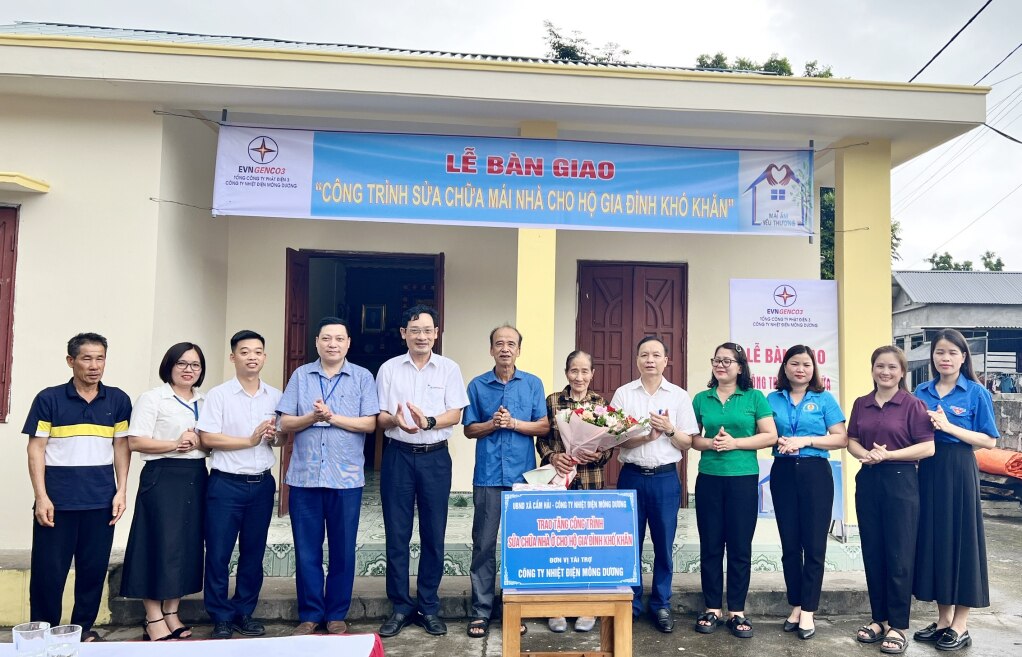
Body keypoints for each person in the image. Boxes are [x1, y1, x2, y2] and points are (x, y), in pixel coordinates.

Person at [23, 332, 131, 643]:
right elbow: (36, 450)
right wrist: (41, 497)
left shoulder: (118, 400)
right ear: (71, 361)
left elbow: (121, 448)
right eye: (86, 358)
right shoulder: (49, 399)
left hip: (100, 502)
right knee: (48, 574)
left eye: (100, 358)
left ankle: (82, 630)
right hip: (57, 503)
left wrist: (121, 491)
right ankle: (42, 633)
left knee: (93, 571)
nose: (94, 365)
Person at [278, 317, 380, 637]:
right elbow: (285, 424)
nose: (332, 344)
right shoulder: (300, 376)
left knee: (343, 549)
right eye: (326, 338)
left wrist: (332, 417)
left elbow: (369, 424)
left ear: (348, 343)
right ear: (317, 343)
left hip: (346, 478)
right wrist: (313, 416)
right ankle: (310, 613)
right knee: (306, 548)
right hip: (305, 477)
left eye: (339, 338)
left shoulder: (362, 377)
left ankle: (336, 613)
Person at [375, 306, 469, 638]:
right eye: (414, 330)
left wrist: (428, 421)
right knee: (397, 534)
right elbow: (381, 415)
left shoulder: (448, 368)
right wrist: (396, 421)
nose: (421, 336)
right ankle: (400, 606)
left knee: (433, 533)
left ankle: (428, 605)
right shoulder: (388, 369)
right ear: (404, 333)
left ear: (436, 332)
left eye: (427, 330)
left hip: (435, 458)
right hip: (398, 456)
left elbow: (455, 413)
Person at [912, 329, 998, 651]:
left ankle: (961, 625)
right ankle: (944, 619)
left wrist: (949, 427)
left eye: (952, 353)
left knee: (961, 542)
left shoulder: (976, 393)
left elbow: (989, 440)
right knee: (935, 542)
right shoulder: (921, 391)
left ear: (963, 357)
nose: (945, 358)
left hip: (960, 469)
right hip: (928, 470)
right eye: (939, 353)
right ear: (932, 357)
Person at [463, 325, 549, 639]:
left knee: (519, 547)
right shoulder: (477, 385)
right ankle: (482, 611)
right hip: (487, 476)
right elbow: (469, 429)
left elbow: (543, 426)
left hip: (522, 479)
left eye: (511, 344)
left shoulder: (532, 384)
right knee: (484, 545)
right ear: (491, 350)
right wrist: (492, 423)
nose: (505, 349)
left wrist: (512, 423)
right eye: (499, 343)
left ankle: (516, 609)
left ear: (518, 350)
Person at [847, 345, 934, 655]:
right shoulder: (862, 404)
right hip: (869, 479)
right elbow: (852, 441)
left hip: (902, 481)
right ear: (872, 369)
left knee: (899, 554)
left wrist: (888, 455)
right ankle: (879, 619)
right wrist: (865, 455)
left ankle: (898, 625)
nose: (885, 372)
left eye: (892, 367)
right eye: (879, 366)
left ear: (902, 372)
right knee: (873, 551)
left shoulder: (913, 405)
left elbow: (927, 448)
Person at [197, 330, 283, 640]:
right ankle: (220, 616)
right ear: (233, 357)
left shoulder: (275, 396)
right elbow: (208, 438)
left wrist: (276, 438)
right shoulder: (219, 395)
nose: (252, 357)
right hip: (225, 485)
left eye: (258, 351)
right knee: (218, 554)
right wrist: (249, 440)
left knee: (252, 553)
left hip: (261, 485)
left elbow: (284, 437)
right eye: (245, 352)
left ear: (264, 357)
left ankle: (244, 612)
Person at [121, 342, 209, 641]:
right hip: (163, 475)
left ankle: (172, 612)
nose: (188, 370)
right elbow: (136, 441)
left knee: (185, 544)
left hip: (196, 475)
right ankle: (152, 615)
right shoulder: (153, 398)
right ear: (169, 366)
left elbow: (207, 442)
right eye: (182, 364)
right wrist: (176, 443)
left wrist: (202, 443)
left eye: (195, 365)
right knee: (157, 541)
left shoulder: (205, 400)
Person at [610, 336, 697, 634]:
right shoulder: (623, 394)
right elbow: (614, 438)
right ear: (637, 360)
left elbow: (688, 442)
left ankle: (661, 604)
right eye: (644, 354)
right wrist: (645, 437)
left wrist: (669, 429)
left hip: (664, 478)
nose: (650, 359)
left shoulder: (678, 396)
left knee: (664, 545)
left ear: (665, 360)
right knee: (628, 543)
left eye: (656, 355)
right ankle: (630, 603)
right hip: (631, 475)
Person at [691, 342, 777, 639]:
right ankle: (712, 607)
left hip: (742, 478)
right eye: (717, 360)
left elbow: (770, 435)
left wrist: (735, 443)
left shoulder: (755, 397)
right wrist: (711, 442)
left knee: (740, 546)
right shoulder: (702, 399)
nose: (721, 365)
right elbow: (693, 440)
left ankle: (737, 610)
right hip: (709, 478)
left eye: (728, 361)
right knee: (711, 544)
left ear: (741, 367)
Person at [766, 345, 847, 641]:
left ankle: (809, 610)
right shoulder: (772, 399)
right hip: (783, 473)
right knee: (790, 544)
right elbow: (764, 433)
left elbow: (841, 438)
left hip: (816, 474)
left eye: (807, 364)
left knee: (814, 545)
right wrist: (779, 441)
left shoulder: (823, 399)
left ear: (814, 368)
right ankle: (796, 605)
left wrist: (806, 440)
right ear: (785, 367)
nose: (801, 369)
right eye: (795, 364)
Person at [537, 349, 612, 634]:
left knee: (588, 545)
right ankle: (554, 607)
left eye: (585, 371)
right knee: (557, 544)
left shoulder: (600, 403)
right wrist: (553, 456)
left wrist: (598, 455)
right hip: (559, 481)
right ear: (566, 372)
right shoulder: (553, 401)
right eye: (574, 371)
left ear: (593, 374)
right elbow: (542, 439)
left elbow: (609, 445)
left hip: (590, 482)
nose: (579, 377)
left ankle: (587, 607)